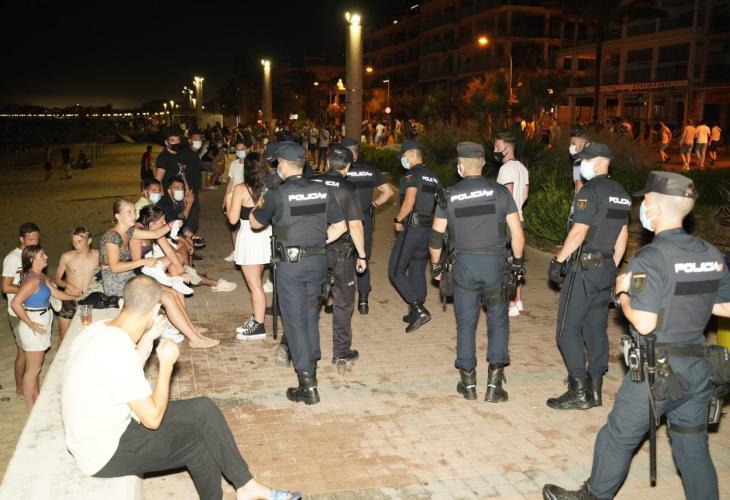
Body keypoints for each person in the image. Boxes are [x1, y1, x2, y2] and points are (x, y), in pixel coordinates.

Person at [542, 172, 730, 500]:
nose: (642, 207)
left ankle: (593, 495)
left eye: (646, 201)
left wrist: (623, 293)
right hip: (699, 368)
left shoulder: (651, 257)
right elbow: (725, 307)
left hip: (658, 372)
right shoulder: (711, 255)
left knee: (616, 438)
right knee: (693, 450)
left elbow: (644, 323)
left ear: (656, 208)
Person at [61, 276, 301, 500]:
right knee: (197, 443)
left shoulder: (98, 330)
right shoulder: (117, 352)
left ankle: (246, 486)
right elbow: (153, 419)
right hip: (104, 451)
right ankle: (241, 489)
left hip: (101, 429)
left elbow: (123, 373)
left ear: (123, 303)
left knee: (203, 409)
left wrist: (147, 339)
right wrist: (166, 366)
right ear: (156, 310)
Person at [249, 141, 347, 404]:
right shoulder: (323, 190)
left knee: (294, 322)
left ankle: (308, 384)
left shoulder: (277, 194)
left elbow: (255, 222)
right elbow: (340, 226)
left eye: (277, 163)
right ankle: (311, 361)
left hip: (290, 266)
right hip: (318, 262)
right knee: (310, 317)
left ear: (282, 164)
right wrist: (317, 242)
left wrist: (264, 196)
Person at [429, 142, 525, 402]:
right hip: (495, 266)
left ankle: (468, 384)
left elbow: (436, 237)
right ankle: (494, 387)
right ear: (483, 164)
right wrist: (517, 264)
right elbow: (517, 233)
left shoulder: (449, 195)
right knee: (498, 320)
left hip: (463, 267)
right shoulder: (500, 192)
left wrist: (436, 267)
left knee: (465, 323)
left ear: (460, 166)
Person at [547, 142, 630, 410]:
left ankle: (579, 390)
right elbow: (622, 235)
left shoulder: (590, 191)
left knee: (567, 330)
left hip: (583, 269)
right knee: (595, 328)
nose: (580, 164)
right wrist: (610, 267)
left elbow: (578, 232)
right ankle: (595, 390)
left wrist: (558, 260)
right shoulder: (620, 193)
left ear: (596, 162)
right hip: (605, 267)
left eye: (584, 160)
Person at [100, 199, 218, 348]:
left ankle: (193, 333)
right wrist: (143, 262)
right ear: (117, 216)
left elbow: (156, 233)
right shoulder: (112, 236)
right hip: (116, 283)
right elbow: (115, 267)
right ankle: (194, 338)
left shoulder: (129, 231)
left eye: (134, 211)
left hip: (129, 277)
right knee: (167, 297)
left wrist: (171, 225)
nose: (133, 215)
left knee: (172, 293)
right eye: (128, 212)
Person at [312, 145, 368, 374]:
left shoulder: (312, 182)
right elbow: (355, 226)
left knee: (309, 300)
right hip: (341, 253)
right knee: (343, 303)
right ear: (348, 165)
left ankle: (293, 347)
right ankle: (341, 352)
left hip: (313, 250)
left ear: (327, 161)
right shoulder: (348, 188)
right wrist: (362, 255)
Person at [11, 245, 79, 409]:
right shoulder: (33, 280)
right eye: (42, 255)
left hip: (41, 320)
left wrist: (75, 297)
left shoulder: (40, 276)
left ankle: (36, 398)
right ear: (32, 259)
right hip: (34, 323)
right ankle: (31, 407)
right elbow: (15, 303)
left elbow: (55, 293)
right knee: (32, 370)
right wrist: (30, 323)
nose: (46, 256)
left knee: (35, 367)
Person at [389, 140, 440, 333]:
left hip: (412, 228)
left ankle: (419, 310)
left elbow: (410, 200)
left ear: (411, 154)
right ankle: (414, 310)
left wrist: (398, 219)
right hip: (428, 229)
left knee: (395, 270)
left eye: (403, 156)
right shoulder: (433, 177)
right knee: (417, 268)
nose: (403, 159)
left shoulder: (412, 175)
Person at [341, 137, 395, 314]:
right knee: (362, 258)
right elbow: (388, 192)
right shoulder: (371, 170)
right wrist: (373, 205)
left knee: (342, 260)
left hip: (343, 222)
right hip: (364, 219)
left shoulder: (341, 170)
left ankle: (341, 300)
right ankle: (363, 301)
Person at [226, 152, 273, 339]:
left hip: (250, 237)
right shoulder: (270, 187)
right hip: (266, 234)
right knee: (258, 282)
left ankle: (259, 326)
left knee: (255, 286)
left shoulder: (241, 189)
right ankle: (257, 317)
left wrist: (229, 199)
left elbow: (232, 219)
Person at [3, 223, 40, 396]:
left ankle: (31, 385)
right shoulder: (12, 258)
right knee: (23, 352)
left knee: (32, 351)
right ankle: (19, 387)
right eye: (31, 240)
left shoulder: (34, 254)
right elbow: (5, 287)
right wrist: (27, 288)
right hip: (17, 312)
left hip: (33, 309)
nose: (34, 243)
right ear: (21, 239)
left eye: (37, 239)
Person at [495, 132, 529, 317]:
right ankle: (518, 300)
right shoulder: (522, 168)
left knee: (506, 263)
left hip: (507, 221)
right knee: (517, 260)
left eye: (497, 147)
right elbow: (524, 195)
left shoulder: (506, 168)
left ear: (507, 148)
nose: (495, 150)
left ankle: (510, 304)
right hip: (519, 219)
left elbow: (506, 195)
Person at [54, 227, 99, 343]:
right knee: (64, 339)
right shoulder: (67, 257)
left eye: (80, 241)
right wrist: (68, 285)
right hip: (69, 300)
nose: (76, 245)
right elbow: (57, 279)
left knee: (87, 337)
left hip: (89, 300)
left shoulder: (97, 255)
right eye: (74, 242)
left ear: (89, 241)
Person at [223, 138, 253, 262]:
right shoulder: (234, 164)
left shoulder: (251, 165)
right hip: (234, 199)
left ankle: (248, 252)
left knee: (248, 227)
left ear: (248, 149)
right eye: (238, 149)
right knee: (234, 226)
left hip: (247, 200)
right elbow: (231, 182)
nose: (240, 151)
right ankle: (236, 251)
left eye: (243, 149)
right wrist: (226, 198)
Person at [569, 126, 590, 192]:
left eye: (573, 144)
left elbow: (579, 191)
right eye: (570, 144)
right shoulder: (599, 159)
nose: (571, 146)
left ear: (582, 145)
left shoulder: (578, 163)